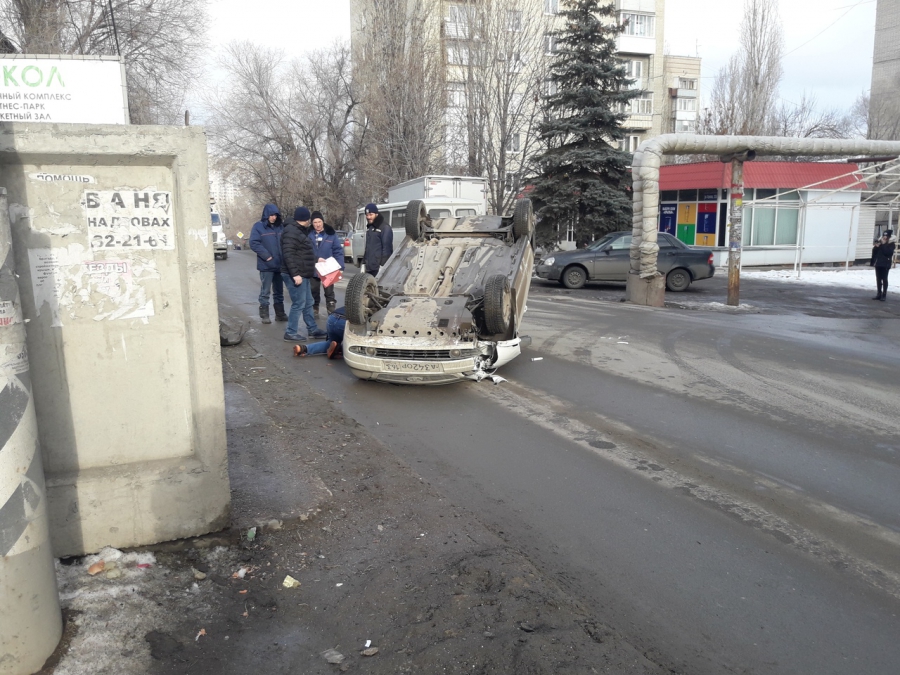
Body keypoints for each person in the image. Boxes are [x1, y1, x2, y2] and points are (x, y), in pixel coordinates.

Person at [281, 207, 327, 342]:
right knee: (299, 303)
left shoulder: (298, 231)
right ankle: (290, 332)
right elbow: (288, 255)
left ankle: (312, 329)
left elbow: (301, 253)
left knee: (308, 302)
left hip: (303, 273)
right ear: (306, 219)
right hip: (295, 274)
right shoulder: (291, 232)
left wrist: (316, 259)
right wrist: (295, 274)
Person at [248, 204, 287, 324]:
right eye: (271, 215)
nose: (273, 217)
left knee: (279, 291)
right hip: (266, 265)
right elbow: (254, 243)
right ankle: (264, 314)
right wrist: (267, 256)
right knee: (265, 291)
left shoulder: (280, 227)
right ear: (266, 215)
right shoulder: (258, 227)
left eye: (275, 215)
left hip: (279, 265)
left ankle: (280, 314)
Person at [309, 211, 345, 315]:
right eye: (315, 222)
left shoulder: (331, 234)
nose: (317, 224)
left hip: (328, 269)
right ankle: (315, 308)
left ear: (323, 222)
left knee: (329, 292)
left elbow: (338, 251)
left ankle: (331, 310)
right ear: (312, 223)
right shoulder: (308, 234)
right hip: (314, 268)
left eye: (319, 221)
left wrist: (341, 267)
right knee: (314, 290)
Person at [363, 203, 393, 277]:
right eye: (367, 215)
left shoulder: (385, 228)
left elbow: (387, 249)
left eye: (370, 214)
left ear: (376, 214)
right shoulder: (370, 227)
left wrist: (383, 266)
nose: (368, 217)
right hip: (369, 267)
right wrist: (364, 263)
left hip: (378, 268)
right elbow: (368, 247)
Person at [872, 230, 896, 301]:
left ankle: (884, 294)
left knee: (884, 279)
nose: (884, 238)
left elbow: (887, 252)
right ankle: (879, 293)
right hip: (878, 263)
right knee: (878, 279)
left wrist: (883, 244)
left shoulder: (891, 244)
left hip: (886, 263)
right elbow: (875, 252)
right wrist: (876, 247)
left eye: (886, 236)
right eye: (884, 236)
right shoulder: (881, 243)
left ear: (889, 237)